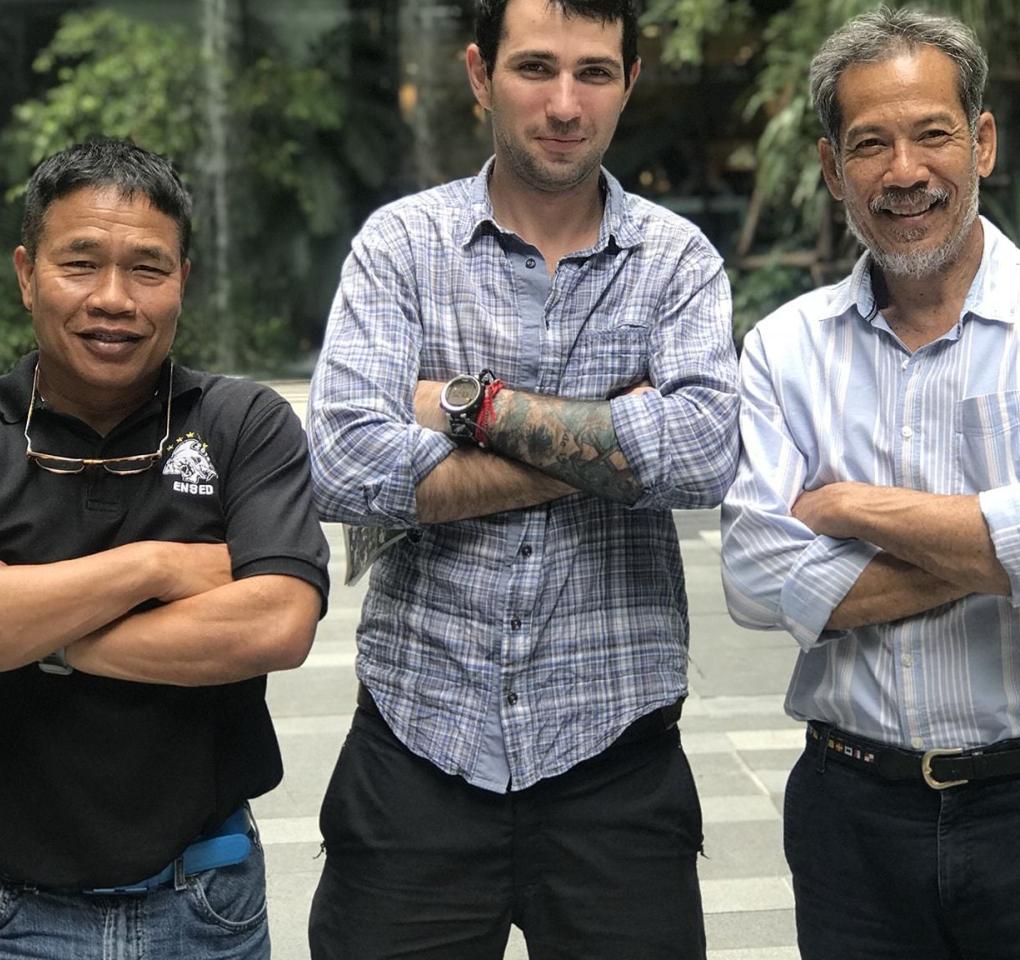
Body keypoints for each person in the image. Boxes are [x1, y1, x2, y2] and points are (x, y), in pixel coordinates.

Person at [304, 0, 739, 955]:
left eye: (593, 72)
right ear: (478, 74)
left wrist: (470, 406)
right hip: (418, 748)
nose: (564, 103)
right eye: (535, 68)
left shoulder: (675, 262)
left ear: (628, 81)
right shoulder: (400, 247)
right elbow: (339, 462)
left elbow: (704, 451)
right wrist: (613, 440)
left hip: (616, 763)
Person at [719, 8, 1020, 959]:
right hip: (851, 820)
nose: (905, 171)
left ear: (982, 143)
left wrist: (846, 510)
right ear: (833, 169)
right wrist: (1006, 547)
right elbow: (752, 578)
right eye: (869, 144)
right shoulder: (784, 350)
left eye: (933, 134)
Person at [0, 138, 329, 959]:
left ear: (183, 281)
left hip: (204, 903)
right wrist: (155, 568)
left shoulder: (244, 424)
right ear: (25, 273)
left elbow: (276, 625)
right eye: (80, 264)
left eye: (148, 269)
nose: (113, 298)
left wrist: (30, 634)